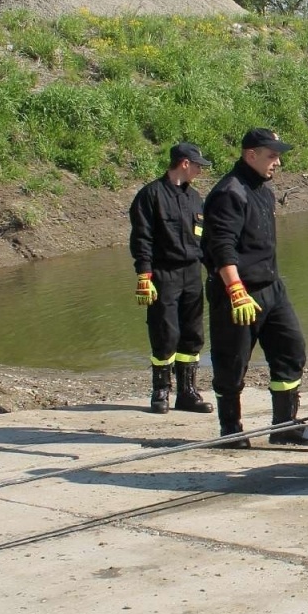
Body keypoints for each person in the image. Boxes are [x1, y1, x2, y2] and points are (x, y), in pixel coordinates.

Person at [202, 127, 308, 448]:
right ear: (251, 155)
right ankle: (232, 431)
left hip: (271, 288)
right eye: (272, 155)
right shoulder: (228, 193)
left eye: (278, 156)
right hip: (237, 293)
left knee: (292, 350)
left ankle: (284, 426)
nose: (277, 162)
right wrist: (236, 291)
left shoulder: (262, 191)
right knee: (232, 362)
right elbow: (221, 247)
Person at [128, 142, 214, 415]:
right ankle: (161, 391)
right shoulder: (150, 196)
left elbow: (205, 238)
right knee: (165, 333)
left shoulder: (195, 198)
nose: (201, 169)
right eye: (198, 164)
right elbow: (142, 239)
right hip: (163, 274)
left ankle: (187, 393)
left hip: (191, 272)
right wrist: (144, 275)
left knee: (192, 335)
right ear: (184, 163)